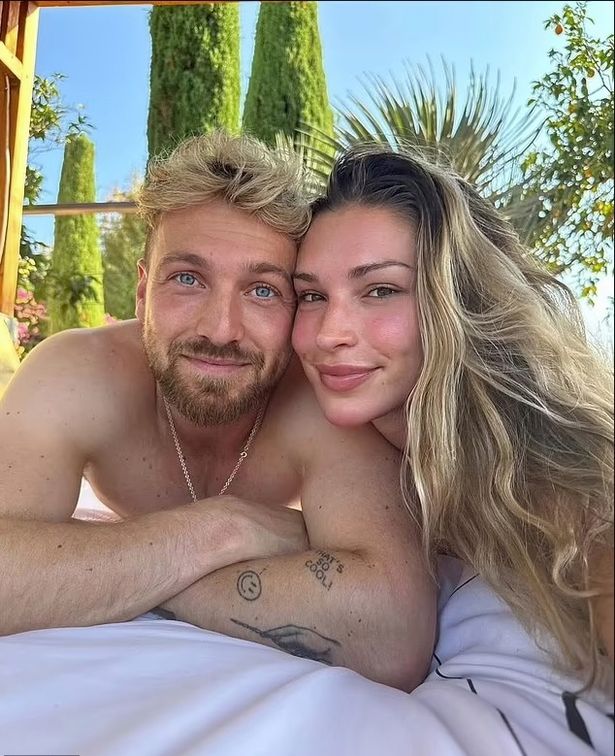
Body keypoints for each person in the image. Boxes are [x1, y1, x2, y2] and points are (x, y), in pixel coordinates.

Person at [0, 132, 435, 692]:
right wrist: (220, 531)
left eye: (262, 290)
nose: (221, 329)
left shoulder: (321, 401)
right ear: (142, 292)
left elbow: (393, 630)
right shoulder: (76, 373)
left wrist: (106, 574)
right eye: (187, 279)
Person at [292, 144, 614, 694]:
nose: (329, 333)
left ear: (459, 299)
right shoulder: (349, 452)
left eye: (381, 290)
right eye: (311, 295)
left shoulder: (552, 472)